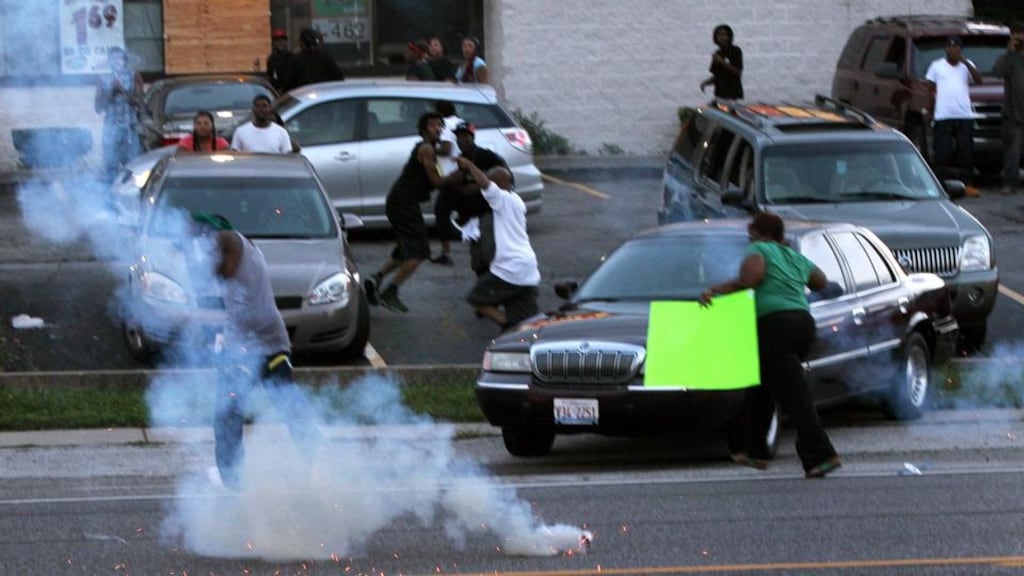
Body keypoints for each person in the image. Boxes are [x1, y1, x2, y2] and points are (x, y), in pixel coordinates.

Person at [699, 213, 841, 479]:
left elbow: (749, 280)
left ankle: (821, 456)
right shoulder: (792, 255)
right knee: (762, 386)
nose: (748, 236)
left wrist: (714, 290)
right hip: (802, 323)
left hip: (775, 326)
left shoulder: (759, 249)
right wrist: (790, 269)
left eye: (751, 231)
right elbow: (820, 281)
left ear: (759, 232)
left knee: (795, 396)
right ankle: (755, 452)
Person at [189, 212, 321, 491]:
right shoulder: (240, 246)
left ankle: (234, 481)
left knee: (230, 414)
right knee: (282, 406)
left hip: (253, 348)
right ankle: (318, 462)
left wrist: (198, 258)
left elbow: (222, 269)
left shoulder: (229, 239)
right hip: (255, 344)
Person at [363, 112, 465, 313]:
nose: (437, 128)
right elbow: (437, 181)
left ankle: (376, 278)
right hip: (403, 202)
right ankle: (391, 291)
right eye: (433, 125)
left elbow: (441, 171)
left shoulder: (434, 149)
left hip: (402, 201)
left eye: (440, 125)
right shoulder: (426, 149)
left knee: (406, 247)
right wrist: (458, 176)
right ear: (424, 129)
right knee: (419, 251)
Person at [454, 156, 539, 330]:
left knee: (476, 299)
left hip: (510, 269)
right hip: (527, 268)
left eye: (491, 180)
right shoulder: (516, 201)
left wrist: (470, 165)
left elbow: (486, 185)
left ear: (499, 183)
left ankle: (506, 325)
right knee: (527, 324)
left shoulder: (503, 200)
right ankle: (518, 331)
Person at [452, 122, 511, 277]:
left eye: (465, 136)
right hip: (470, 217)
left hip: (487, 213)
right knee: (478, 260)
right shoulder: (459, 160)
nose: (461, 140)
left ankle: (494, 290)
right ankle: (485, 290)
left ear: (472, 137)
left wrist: (477, 187)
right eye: (458, 137)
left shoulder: (486, 156)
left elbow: (506, 178)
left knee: (490, 255)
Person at [925, 35, 983, 194]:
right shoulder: (936, 66)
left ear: (960, 49)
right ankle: (941, 187)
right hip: (943, 115)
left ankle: (967, 185)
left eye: (956, 47)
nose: (953, 50)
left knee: (966, 152)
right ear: (946, 49)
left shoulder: (967, 65)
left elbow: (979, 81)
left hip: (964, 115)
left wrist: (965, 62)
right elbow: (930, 89)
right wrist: (929, 111)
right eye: (950, 47)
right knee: (942, 152)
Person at [94, 46, 144, 182]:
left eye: (119, 58)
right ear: (109, 61)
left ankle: (131, 193)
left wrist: (122, 90)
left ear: (125, 60)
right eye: (113, 58)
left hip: (130, 129)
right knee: (111, 167)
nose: (116, 61)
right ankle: (111, 196)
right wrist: (111, 91)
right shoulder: (103, 78)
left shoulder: (134, 76)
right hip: (111, 128)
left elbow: (138, 102)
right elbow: (98, 108)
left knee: (133, 167)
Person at [431, 100, 465, 266]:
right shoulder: (459, 122)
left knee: (441, 213)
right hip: (462, 172)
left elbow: (446, 149)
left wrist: (429, 148)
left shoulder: (445, 125)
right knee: (467, 211)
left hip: (451, 177)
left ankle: (446, 253)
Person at [995, 22, 1024, 195]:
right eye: (1016, 34)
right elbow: (998, 72)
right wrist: (1010, 51)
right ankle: (1010, 182)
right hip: (1013, 113)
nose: (1020, 37)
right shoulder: (1008, 56)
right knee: (1012, 152)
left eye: (1022, 34)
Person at [700, 24, 744, 100]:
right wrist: (706, 83)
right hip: (720, 93)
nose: (721, 38)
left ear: (729, 36)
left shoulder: (735, 50)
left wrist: (722, 61)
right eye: (719, 35)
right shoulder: (717, 53)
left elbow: (738, 71)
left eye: (724, 35)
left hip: (733, 93)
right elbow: (718, 75)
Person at [266, 28, 294, 93]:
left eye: (282, 40)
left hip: (290, 90)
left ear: (286, 42)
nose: (280, 43)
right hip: (277, 90)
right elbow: (270, 76)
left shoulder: (291, 57)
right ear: (274, 43)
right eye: (277, 41)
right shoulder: (271, 59)